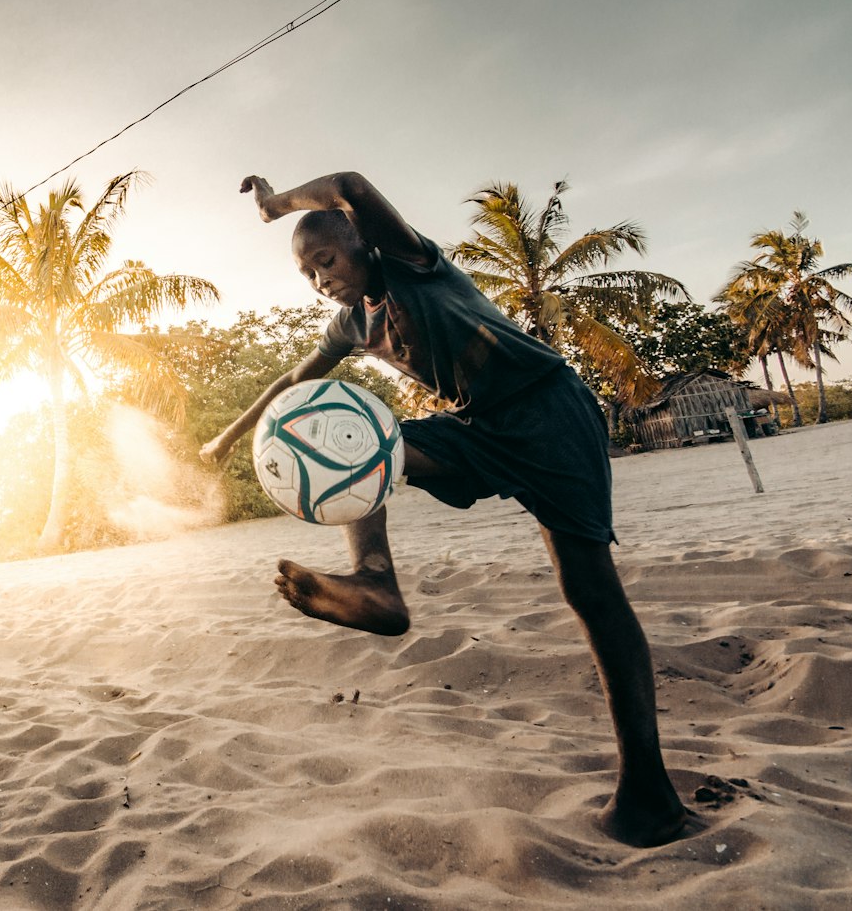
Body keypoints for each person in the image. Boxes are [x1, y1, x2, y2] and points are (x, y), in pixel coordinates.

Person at [200, 170, 688, 847]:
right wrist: (228, 437)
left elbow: (348, 184)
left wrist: (276, 206)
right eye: (306, 272)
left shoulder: (411, 264)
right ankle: (376, 581)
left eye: (326, 258)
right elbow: (293, 382)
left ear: (361, 243)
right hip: (480, 427)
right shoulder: (351, 322)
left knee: (590, 591)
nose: (319, 277)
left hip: (548, 411)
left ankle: (649, 793)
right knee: (363, 441)